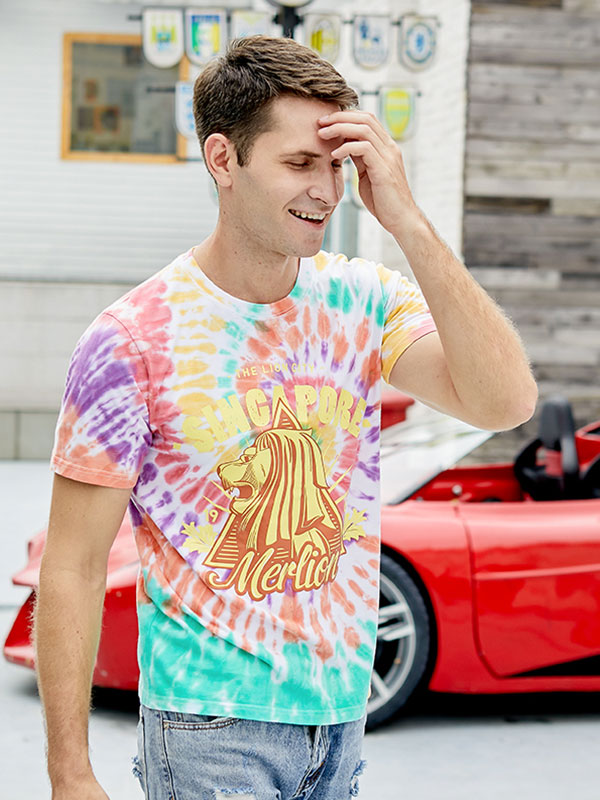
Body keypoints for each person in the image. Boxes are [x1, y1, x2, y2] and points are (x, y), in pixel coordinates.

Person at [34, 35, 537, 800]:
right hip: (209, 726)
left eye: (337, 165)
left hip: (341, 719)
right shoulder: (131, 339)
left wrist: (407, 222)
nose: (327, 191)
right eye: (300, 163)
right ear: (223, 159)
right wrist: (69, 773)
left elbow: (505, 402)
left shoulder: (363, 300)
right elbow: (72, 567)